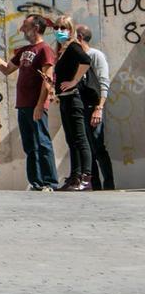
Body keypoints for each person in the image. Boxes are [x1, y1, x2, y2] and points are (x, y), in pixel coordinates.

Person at [0, 14, 59, 191]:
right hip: (23, 105)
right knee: (30, 145)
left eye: (25, 25)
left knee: (43, 143)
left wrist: (40, 105)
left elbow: (47, 80)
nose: (22, 29)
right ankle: (36, 182)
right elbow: (6, 69)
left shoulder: (45, 50)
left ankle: (50, 182)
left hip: (35, 105)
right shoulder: (25, 50)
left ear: (36, 28)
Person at [51, 16, 92, 191]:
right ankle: (75, 177)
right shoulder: (62, 50)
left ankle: (86, 178)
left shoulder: (74, 46)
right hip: (65, 98)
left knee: (80, 138)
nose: (59, 31)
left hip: (74, 98)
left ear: (71, 30)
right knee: (71, 140)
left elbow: (86, 61)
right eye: (56, 27)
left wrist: (74, 81)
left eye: (63, 28)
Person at [75, 24, 114, 190]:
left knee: (98, 147)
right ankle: (95, 185)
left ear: (80, 37)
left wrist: (99, 108)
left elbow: (104, 82)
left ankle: (109, 185)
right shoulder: (74, 58)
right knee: (87, 149)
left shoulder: (95, 55)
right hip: (79, 107)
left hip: (93, 106)